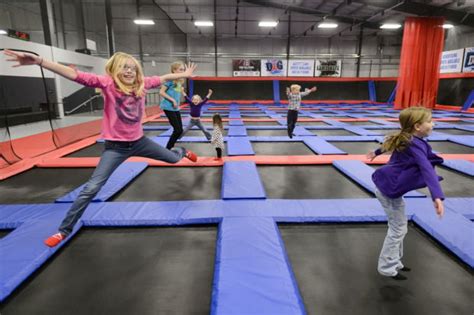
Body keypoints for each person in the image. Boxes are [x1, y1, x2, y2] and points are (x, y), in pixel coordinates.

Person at [4, 50, 199, 247]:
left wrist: (184, 75)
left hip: (140, 142)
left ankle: (182, 151)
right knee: (91, 188)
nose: (129, 71)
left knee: (174, 159)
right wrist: (40, 60)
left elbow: (165, 76)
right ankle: (64, 231)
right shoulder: (107, 83)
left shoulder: (143, 84)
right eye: (124, 67)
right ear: (114, 69)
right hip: (115, 148)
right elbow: (75, 75)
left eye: (132, 68)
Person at [366, 106, 445, 280]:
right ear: (417, 126)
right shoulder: (414, 143)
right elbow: (426, 168)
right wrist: (437, 195)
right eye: (430, 121)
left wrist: (376, 152)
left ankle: (396, 262)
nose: (434, 123)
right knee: (398, 228)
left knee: (399, 226)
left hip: (391, 186)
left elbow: (391, 143)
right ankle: (387, 268)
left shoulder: (409, 139)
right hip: (389, 190)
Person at [160, 61, 186, 149]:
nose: (182, 71)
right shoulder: (169, 80)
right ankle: (168, 148)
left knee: (180, 130)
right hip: (168, 107)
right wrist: (173, 100)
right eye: (180, 69)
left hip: (175, 108)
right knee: (177, 130)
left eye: (183, 70)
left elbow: (176, 93)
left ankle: (170, 147)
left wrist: (181, 92)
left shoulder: (179, 81)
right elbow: (161, 92)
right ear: (174, 70)